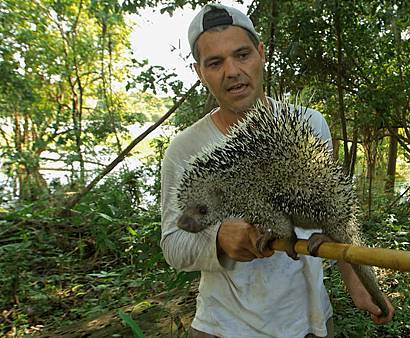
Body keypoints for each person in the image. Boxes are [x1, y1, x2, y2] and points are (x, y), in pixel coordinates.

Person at [160, 4, 394, 337]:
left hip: (309, 320)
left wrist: (357, 282)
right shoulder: (184, 149)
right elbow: (173, 244)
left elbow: (335, 210)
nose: (232, 71)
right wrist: (218, 239)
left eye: (241, 55)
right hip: (225, 326)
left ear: (261, 54)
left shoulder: (311, 124)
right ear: (200, 72)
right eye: (215, 62)